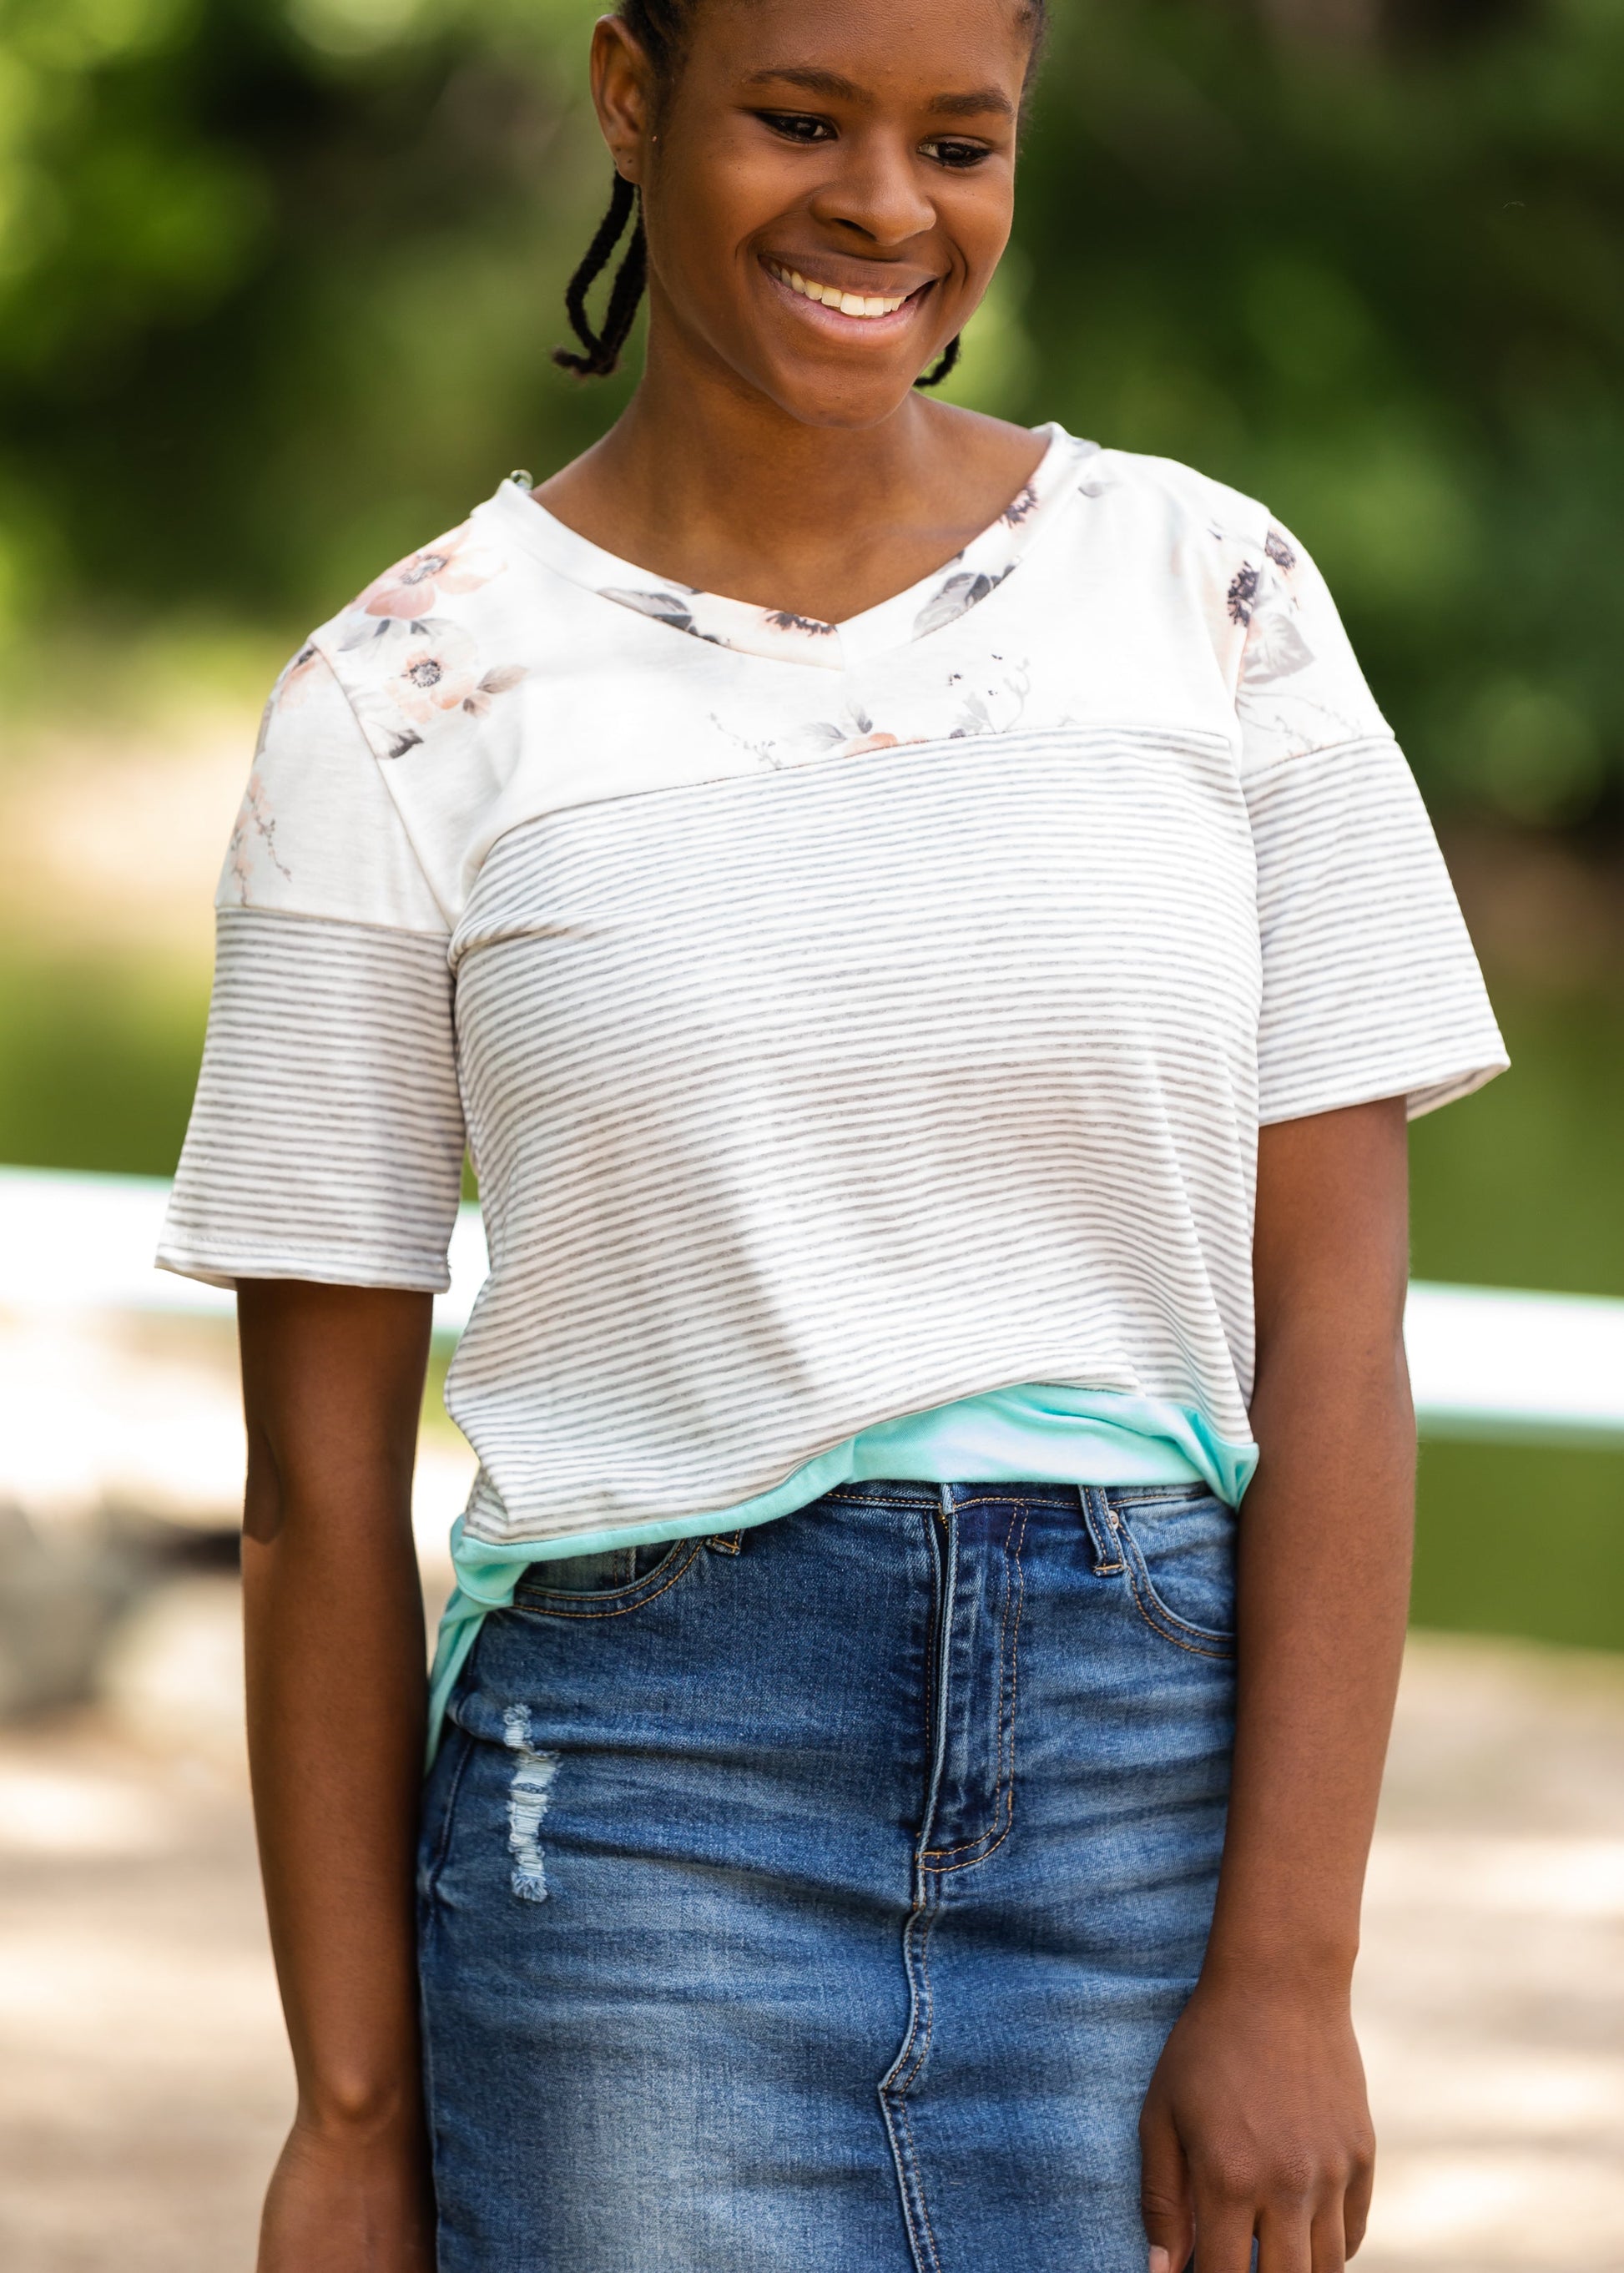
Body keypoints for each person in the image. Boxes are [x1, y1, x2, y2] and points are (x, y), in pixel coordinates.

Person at [159, 0, 1507, 2265]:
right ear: (627, 93)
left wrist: (1287, 1970)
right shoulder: (400, 699)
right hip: (636, 1831)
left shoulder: (1210, 597)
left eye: (956, 141)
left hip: (1147, 1813)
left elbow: (1337, 1334)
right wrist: (352, 2114)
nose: (883, 204)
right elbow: (312, 1490)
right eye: (799, 119)